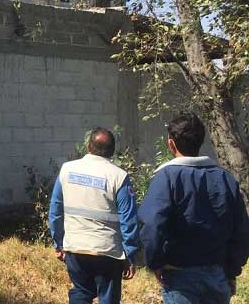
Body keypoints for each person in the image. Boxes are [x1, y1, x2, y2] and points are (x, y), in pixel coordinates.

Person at [138, 113, 249, 304]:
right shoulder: (225, 179)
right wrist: (231, 270)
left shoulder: (167, 178)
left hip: (179, 276)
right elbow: (241, 231)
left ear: (171, 144)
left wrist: (156, 262)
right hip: (217, 275)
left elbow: (151, 224)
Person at [49, 127, 139, 304]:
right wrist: (130, 255)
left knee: (81, 293)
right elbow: (128, 219)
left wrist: (58, 243)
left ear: (88, 146)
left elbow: (55, 210)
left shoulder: (67, 170)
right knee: (108, 298)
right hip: (107, 252)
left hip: (75, 247)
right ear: (112, 151)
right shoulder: (119, 176)